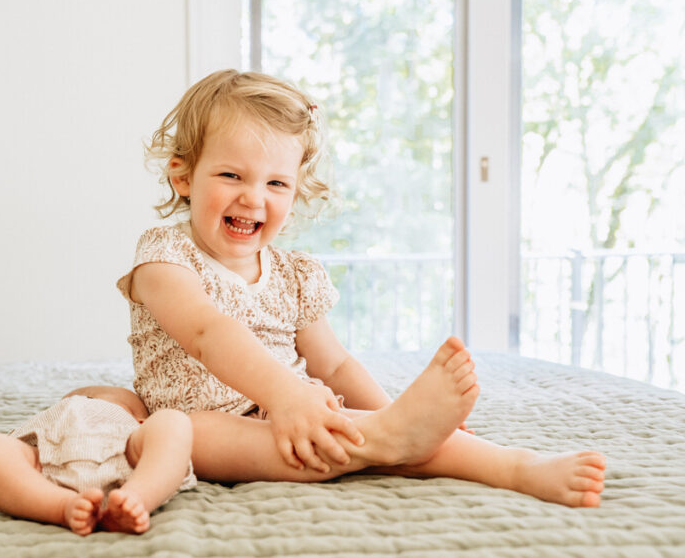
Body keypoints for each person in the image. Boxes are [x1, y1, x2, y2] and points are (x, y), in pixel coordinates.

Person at [116, 69, 606, 508]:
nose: (253, 197)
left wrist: (390, 412)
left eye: (277, 184)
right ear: (183, 176)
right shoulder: (164, 257)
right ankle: (392, 440)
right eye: (230, 175)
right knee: (194, 435)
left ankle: (517, 466)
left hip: (298, 409)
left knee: (373, 428)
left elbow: (333, 364)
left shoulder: (294, 274)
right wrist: (287, 397)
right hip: (197, 421)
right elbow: (206, 331)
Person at [0, 386, 196, 535]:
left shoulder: (135, 430)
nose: (86, 400)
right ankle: (62, 506)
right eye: (85, 396)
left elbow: (159, 434)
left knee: (173, 421)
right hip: (45, 462)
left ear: (140, 418)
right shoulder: (51, 419)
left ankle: (137, 497)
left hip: (126, 456)